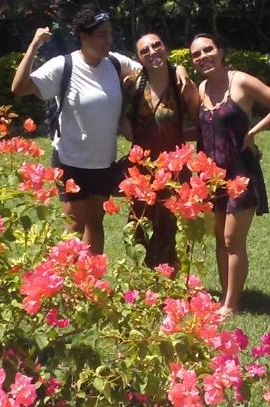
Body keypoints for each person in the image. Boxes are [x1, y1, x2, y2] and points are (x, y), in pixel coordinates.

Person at [9, 5, 140, 255]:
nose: (108, 40)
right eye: (102, 34)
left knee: (96, 225)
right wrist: (34, 45)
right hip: (70, 162)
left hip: (103, 163)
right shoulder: (63, 65)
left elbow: (151, 73)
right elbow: (19, 87)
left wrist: (179, 69)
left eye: (110, 34)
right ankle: (71, 288)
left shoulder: (114, 63)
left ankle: (94, 285)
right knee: (76, 228)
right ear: (84, 36)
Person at [189, 33, 270, 315]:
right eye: (196, 55)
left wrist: (253, 132)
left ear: (221, 51)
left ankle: (231, 306)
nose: (203, 57)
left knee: (233, 240)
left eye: (208, 50)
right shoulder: (201, 88)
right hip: (212, 176)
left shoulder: (241, 81)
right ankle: (227, 296)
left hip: (240, 173)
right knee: (220, 239)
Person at [120, 33, 199, 270]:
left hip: (175, 169)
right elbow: (123, 117)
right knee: (141, 222)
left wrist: (182, 68)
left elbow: (198, 118)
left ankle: (172, 277)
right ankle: (145, 276)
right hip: (143, 168)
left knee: (173, 222)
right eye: (145, 50)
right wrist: (128, 130)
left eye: (157, 45)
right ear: (139, 58)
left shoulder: (181, 83)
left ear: (165, 48)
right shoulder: (132, 84)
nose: (153, 52)